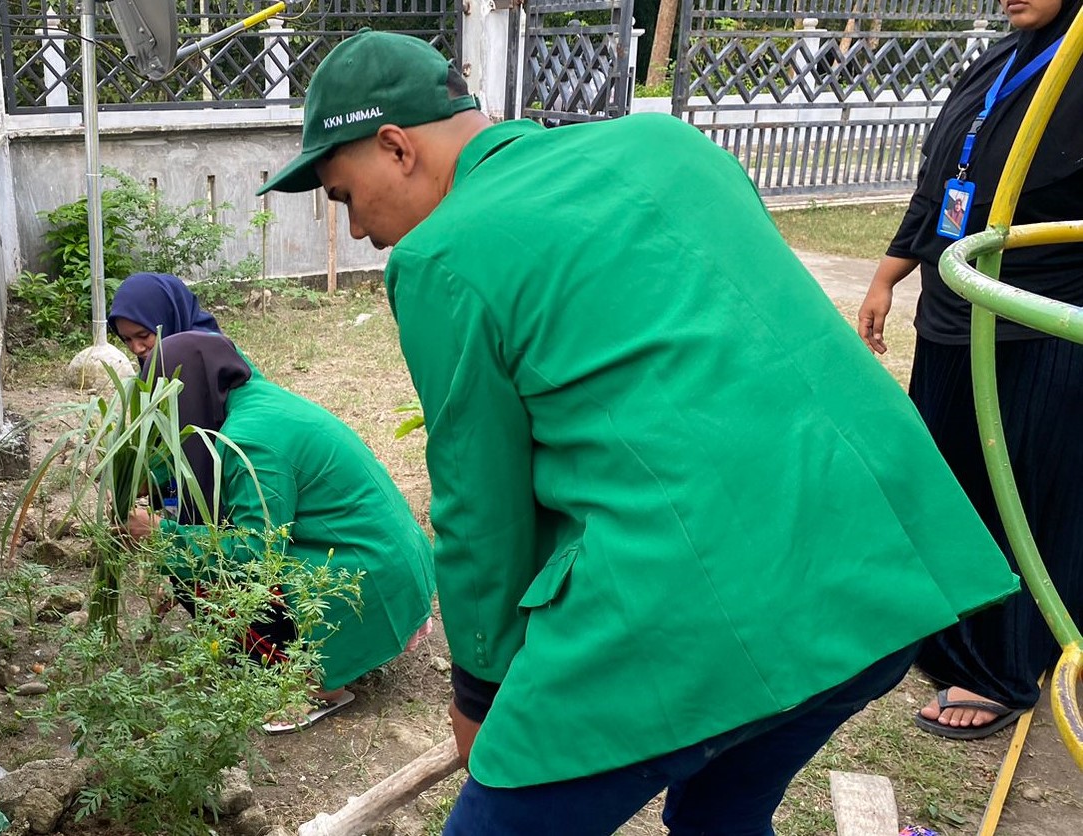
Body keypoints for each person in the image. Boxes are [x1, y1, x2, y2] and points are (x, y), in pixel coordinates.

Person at [255, 29, 1019, 834]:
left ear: (395, 146)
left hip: (696, 602)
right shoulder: (669, 143)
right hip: (885, 568)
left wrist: (481, 696)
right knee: (723, 812)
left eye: (342, 196)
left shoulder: (442, 256)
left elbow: (481, 510)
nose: (356, 230)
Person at [857, 0, 1083, 740]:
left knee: (1020, 490)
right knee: (946, 478)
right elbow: (940, 180)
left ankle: (1003, 667)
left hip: (1038, 320)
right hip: (954, 307)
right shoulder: (1004, 56)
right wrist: (888, 277)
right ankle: (946, 630)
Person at [124, 331, 435, 732]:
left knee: (202, 565)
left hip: (373, 576)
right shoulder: (249, 399)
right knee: (199, 546)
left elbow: (257, 552)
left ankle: (315, 682)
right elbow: (196, 459)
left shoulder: (250, 442)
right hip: (384, 558)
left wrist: (163, 536)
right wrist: (151, 477)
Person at [108, 272, 222, 365]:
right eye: (127, 339)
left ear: (169, 320)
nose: (137, 349)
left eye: (144, 336)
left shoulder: (219, 357)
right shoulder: (155, 365)